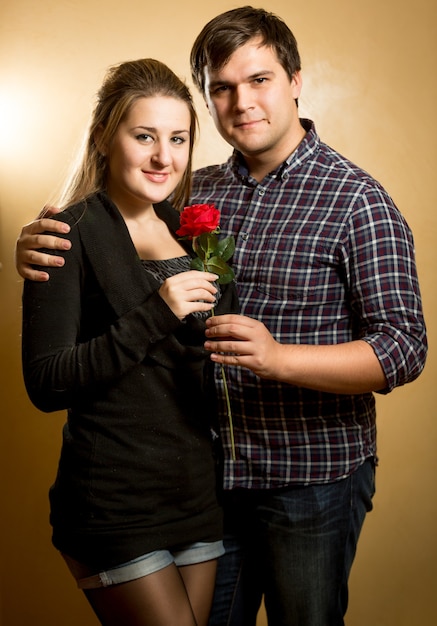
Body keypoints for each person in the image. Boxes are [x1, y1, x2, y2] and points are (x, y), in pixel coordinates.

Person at [16, 7, 427, 626]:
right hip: (211, 480)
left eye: (259, 79)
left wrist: (278, 358)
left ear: (294, 80)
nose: (241, 102)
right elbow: (109, 240)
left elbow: (404, 348)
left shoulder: (357, 201)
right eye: (222, 88)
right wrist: (38, 245)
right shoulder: (193, 194)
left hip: (307, 479)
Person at [20, 58, 237, 626]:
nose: (164, 157)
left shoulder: (190, 231)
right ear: (104, 138)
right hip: (113, 503)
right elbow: (46, 383)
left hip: (195, 500)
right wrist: (157, 311)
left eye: (178, 138)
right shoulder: (66, 235)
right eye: (144, 136)